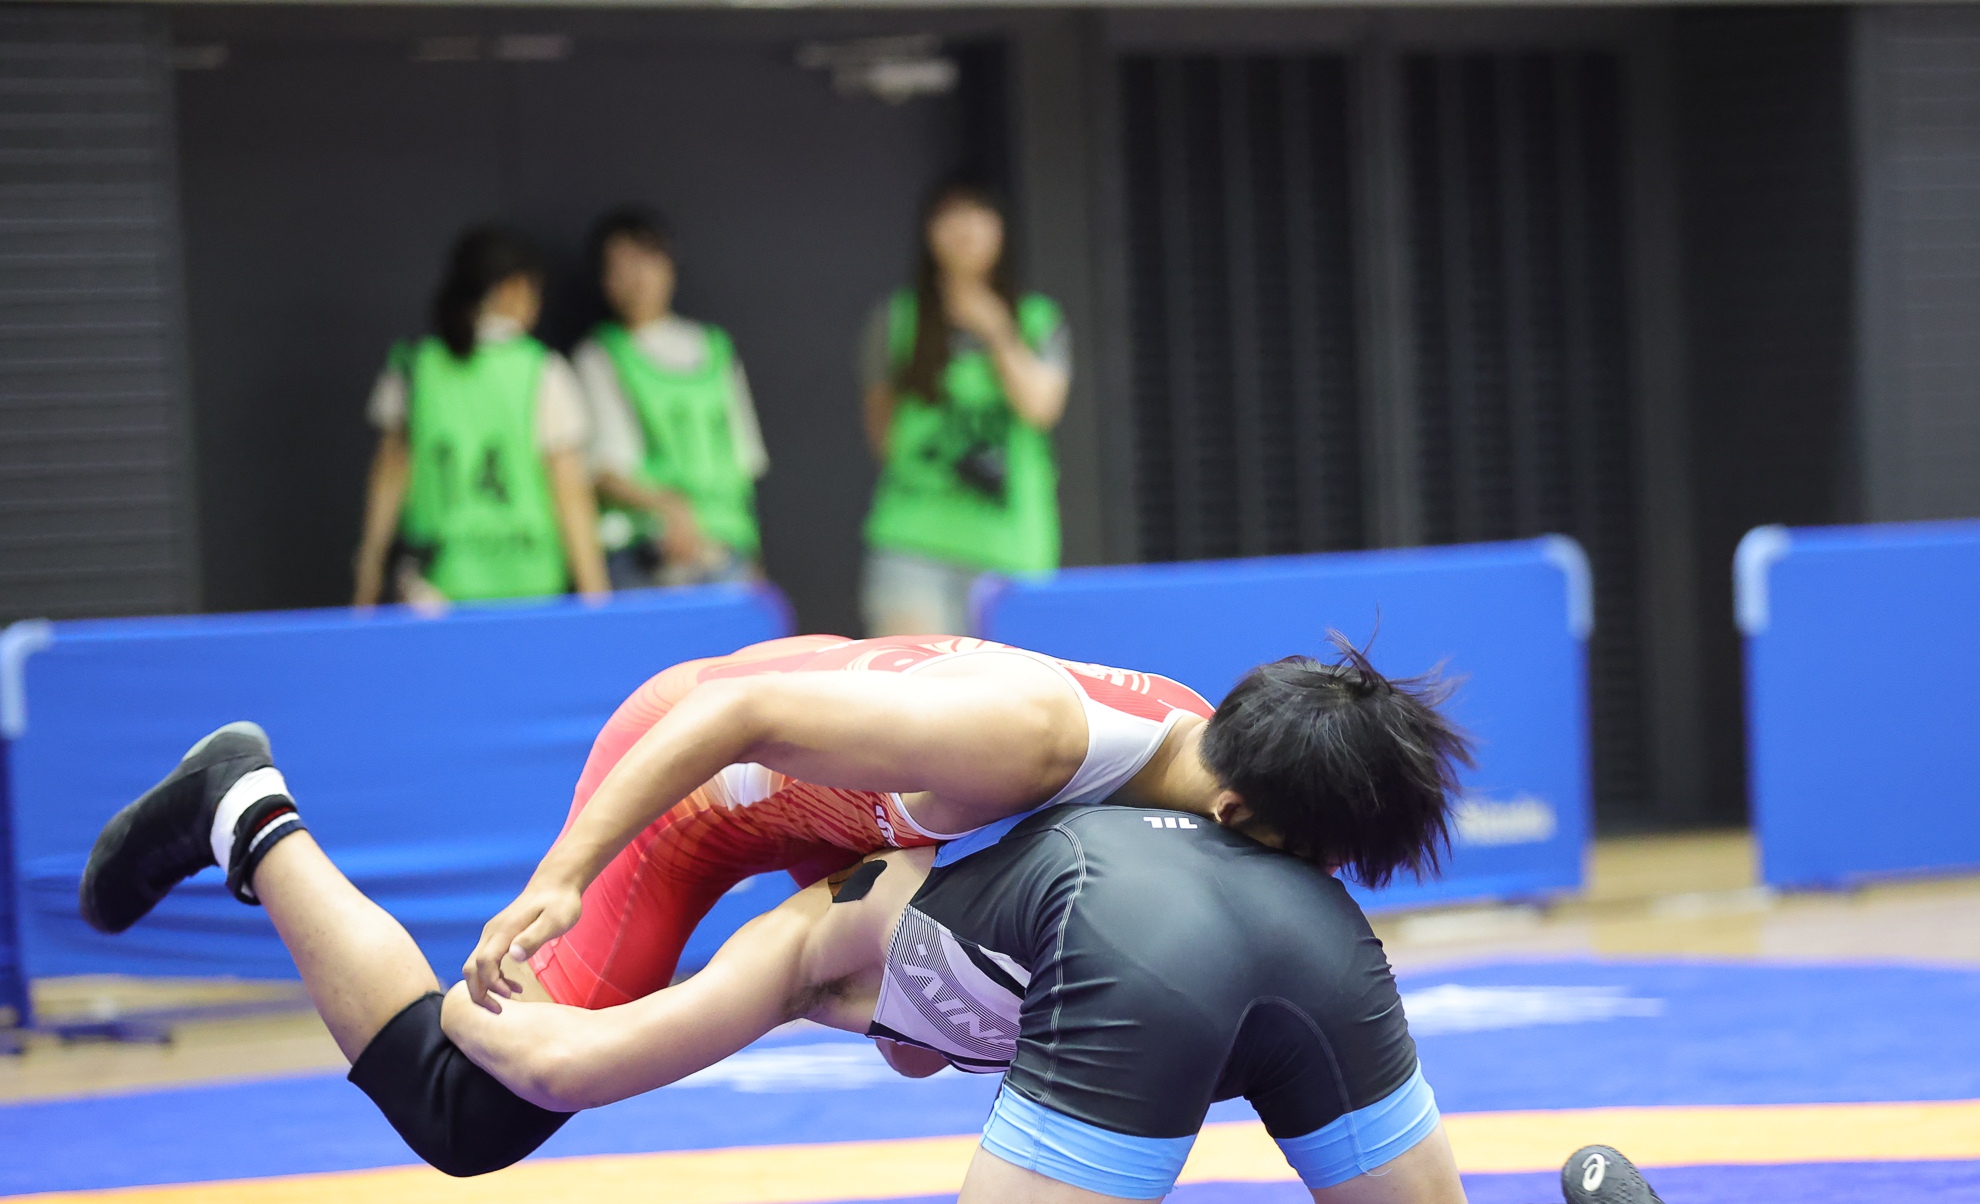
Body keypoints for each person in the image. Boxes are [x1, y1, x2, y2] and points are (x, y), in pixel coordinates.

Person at [79, 723, 1744, 1204]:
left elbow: (583, 1059)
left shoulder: (820, 926)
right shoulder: (1150, 792)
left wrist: (500, 1015)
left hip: (1091, 938)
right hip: (1313, 940)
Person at [456, 631, 1465, 1019]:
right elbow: (736, 713)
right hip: (701, 772)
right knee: (489, 1103)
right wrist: (564, 874)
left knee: (925, 1021)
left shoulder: (1208, 750)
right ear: (1236, 814)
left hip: (833, 809)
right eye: (1303, 866)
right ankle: (333, 892)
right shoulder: (1027, 738)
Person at [354, 226, 610, 609]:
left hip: (435, 588)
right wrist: (595, 594)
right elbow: (570, 490)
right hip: (530, 583)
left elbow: (388, 478)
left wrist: (369, 572)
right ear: (514, 288)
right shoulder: (541, 369)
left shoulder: (415, 365)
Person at [859, 182, 1069, 637]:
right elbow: (881, 431)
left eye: (979, 214)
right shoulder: (898, 318)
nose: (965, 230)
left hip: (1012, 546)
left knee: (1011, 679)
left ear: (1001, 229)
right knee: (914, 677)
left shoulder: (1036, 318)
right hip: (914, 539)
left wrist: (996, 330)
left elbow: (1040, 407)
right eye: (951, 216)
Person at [573, 207, 770, 589]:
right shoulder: (600, 356)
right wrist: (668, 509)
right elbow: (603, 470)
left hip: (725, 550)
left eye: (646, 260)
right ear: (604, 280)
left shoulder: (714, 349)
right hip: (646, 555)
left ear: (669, 265)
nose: (637, 278)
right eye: (621, 266)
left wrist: (753, 557)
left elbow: (742, 463)